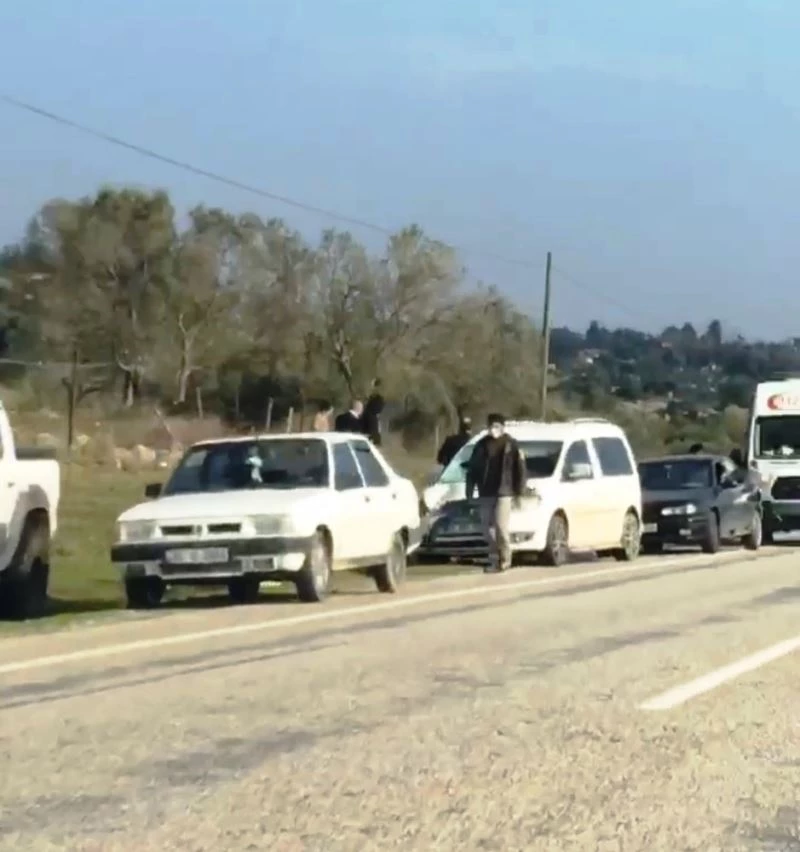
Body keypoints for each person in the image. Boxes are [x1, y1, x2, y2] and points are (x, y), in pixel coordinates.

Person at [465, 413, 526, 573]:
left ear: (503, 427)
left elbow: (520, 470)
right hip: (485, 491)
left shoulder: (511, 445)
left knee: (500, 526)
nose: (494, 429)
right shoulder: (480, 445)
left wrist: (519, 492)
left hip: (504, 491)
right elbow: (472, 470)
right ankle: (494, 557)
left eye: (497, 426)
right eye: (491, 426)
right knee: (486, 528)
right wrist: (469, 492)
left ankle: (505, 558)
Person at [362, 379, 385, 445]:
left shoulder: (379, 398)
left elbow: (377, 410)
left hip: (373, 423)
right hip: (369, 423)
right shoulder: (371, 397)